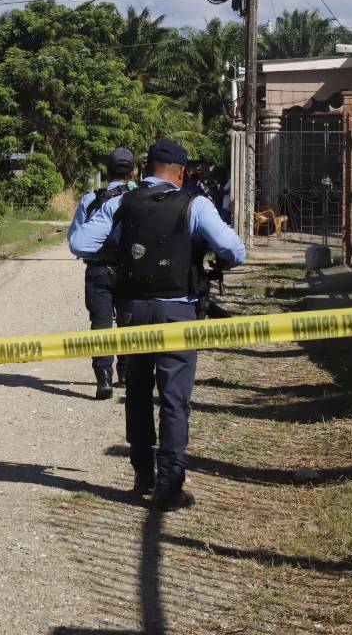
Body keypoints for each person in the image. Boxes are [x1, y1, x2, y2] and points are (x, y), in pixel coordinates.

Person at [69, 139, 246, 511]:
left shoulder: (121, 203)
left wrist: (120, 244)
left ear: (146, 170)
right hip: (178, 313)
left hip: (133, 310)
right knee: (174, 400)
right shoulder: (195, 204)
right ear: (181, 173)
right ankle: (169, 486)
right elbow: (235, 251)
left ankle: (142, 475)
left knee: (137, 393)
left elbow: (81, 244)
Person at [67, 147, 136, 400]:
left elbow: (75, 237)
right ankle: (126, 373)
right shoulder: (141, 197)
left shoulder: (91, 199)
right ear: (133, 172)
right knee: (129, 322)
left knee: (100, 324)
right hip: (132, 270)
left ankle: (103, 377)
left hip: (98, 270)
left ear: (107, 171)